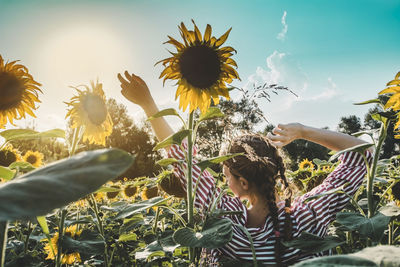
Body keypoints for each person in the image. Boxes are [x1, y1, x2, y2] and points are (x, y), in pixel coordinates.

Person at [118, 71, 373, 266]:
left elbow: (181, 157)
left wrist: (148, 104)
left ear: (243, 184)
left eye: (226, 175)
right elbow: (363, 153)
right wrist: (304, 131)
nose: (223, 182)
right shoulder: (309, 215)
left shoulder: (225, 222)